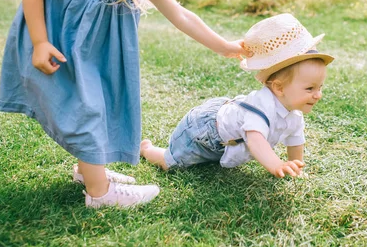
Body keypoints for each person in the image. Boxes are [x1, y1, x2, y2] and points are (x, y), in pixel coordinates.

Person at [0, 0, 249, 208]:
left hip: (93, 53)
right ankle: (100, 194)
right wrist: (41, 42)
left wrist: (225, 45)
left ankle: (90, 173)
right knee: (87, 111)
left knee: (101, 106)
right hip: (61, 45)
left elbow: (180, 13)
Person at [140, 13, 334, 178]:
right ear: (279, 88)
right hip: (204, 130)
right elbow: (256, 141)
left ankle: (213, 156)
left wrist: (295, 165)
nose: (318, 95)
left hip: (226, 136)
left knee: (210, 164)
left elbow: (295, 140)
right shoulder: (261, 109)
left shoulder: (294, 114)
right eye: (310, 89)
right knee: (172, 164)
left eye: (320, 87)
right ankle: (147, 149)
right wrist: (276, 165)